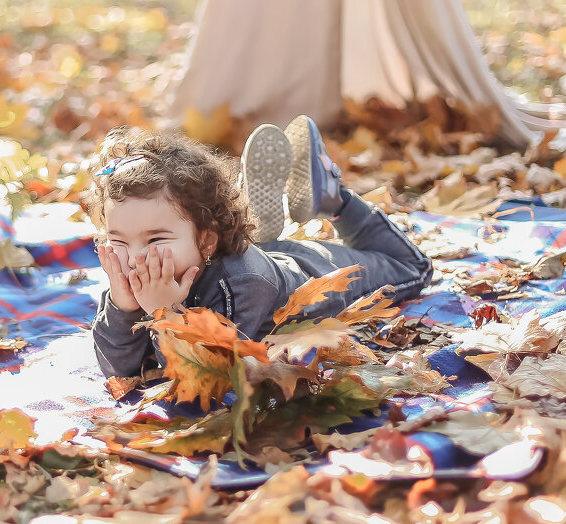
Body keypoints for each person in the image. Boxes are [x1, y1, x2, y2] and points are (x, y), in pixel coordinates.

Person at [87, 116, 433, 379]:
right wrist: (123, 307)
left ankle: (334, 198)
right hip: (272, 260)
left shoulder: (239, 285)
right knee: (263, 257)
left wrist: (166, 316)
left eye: (156, 239)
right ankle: (252, 224)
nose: (134, 258)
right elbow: (118, 370)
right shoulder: (137, 271)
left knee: (412, 266)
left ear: (207, 240)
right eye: (117, 240)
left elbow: (208, 378)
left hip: (322, 275)